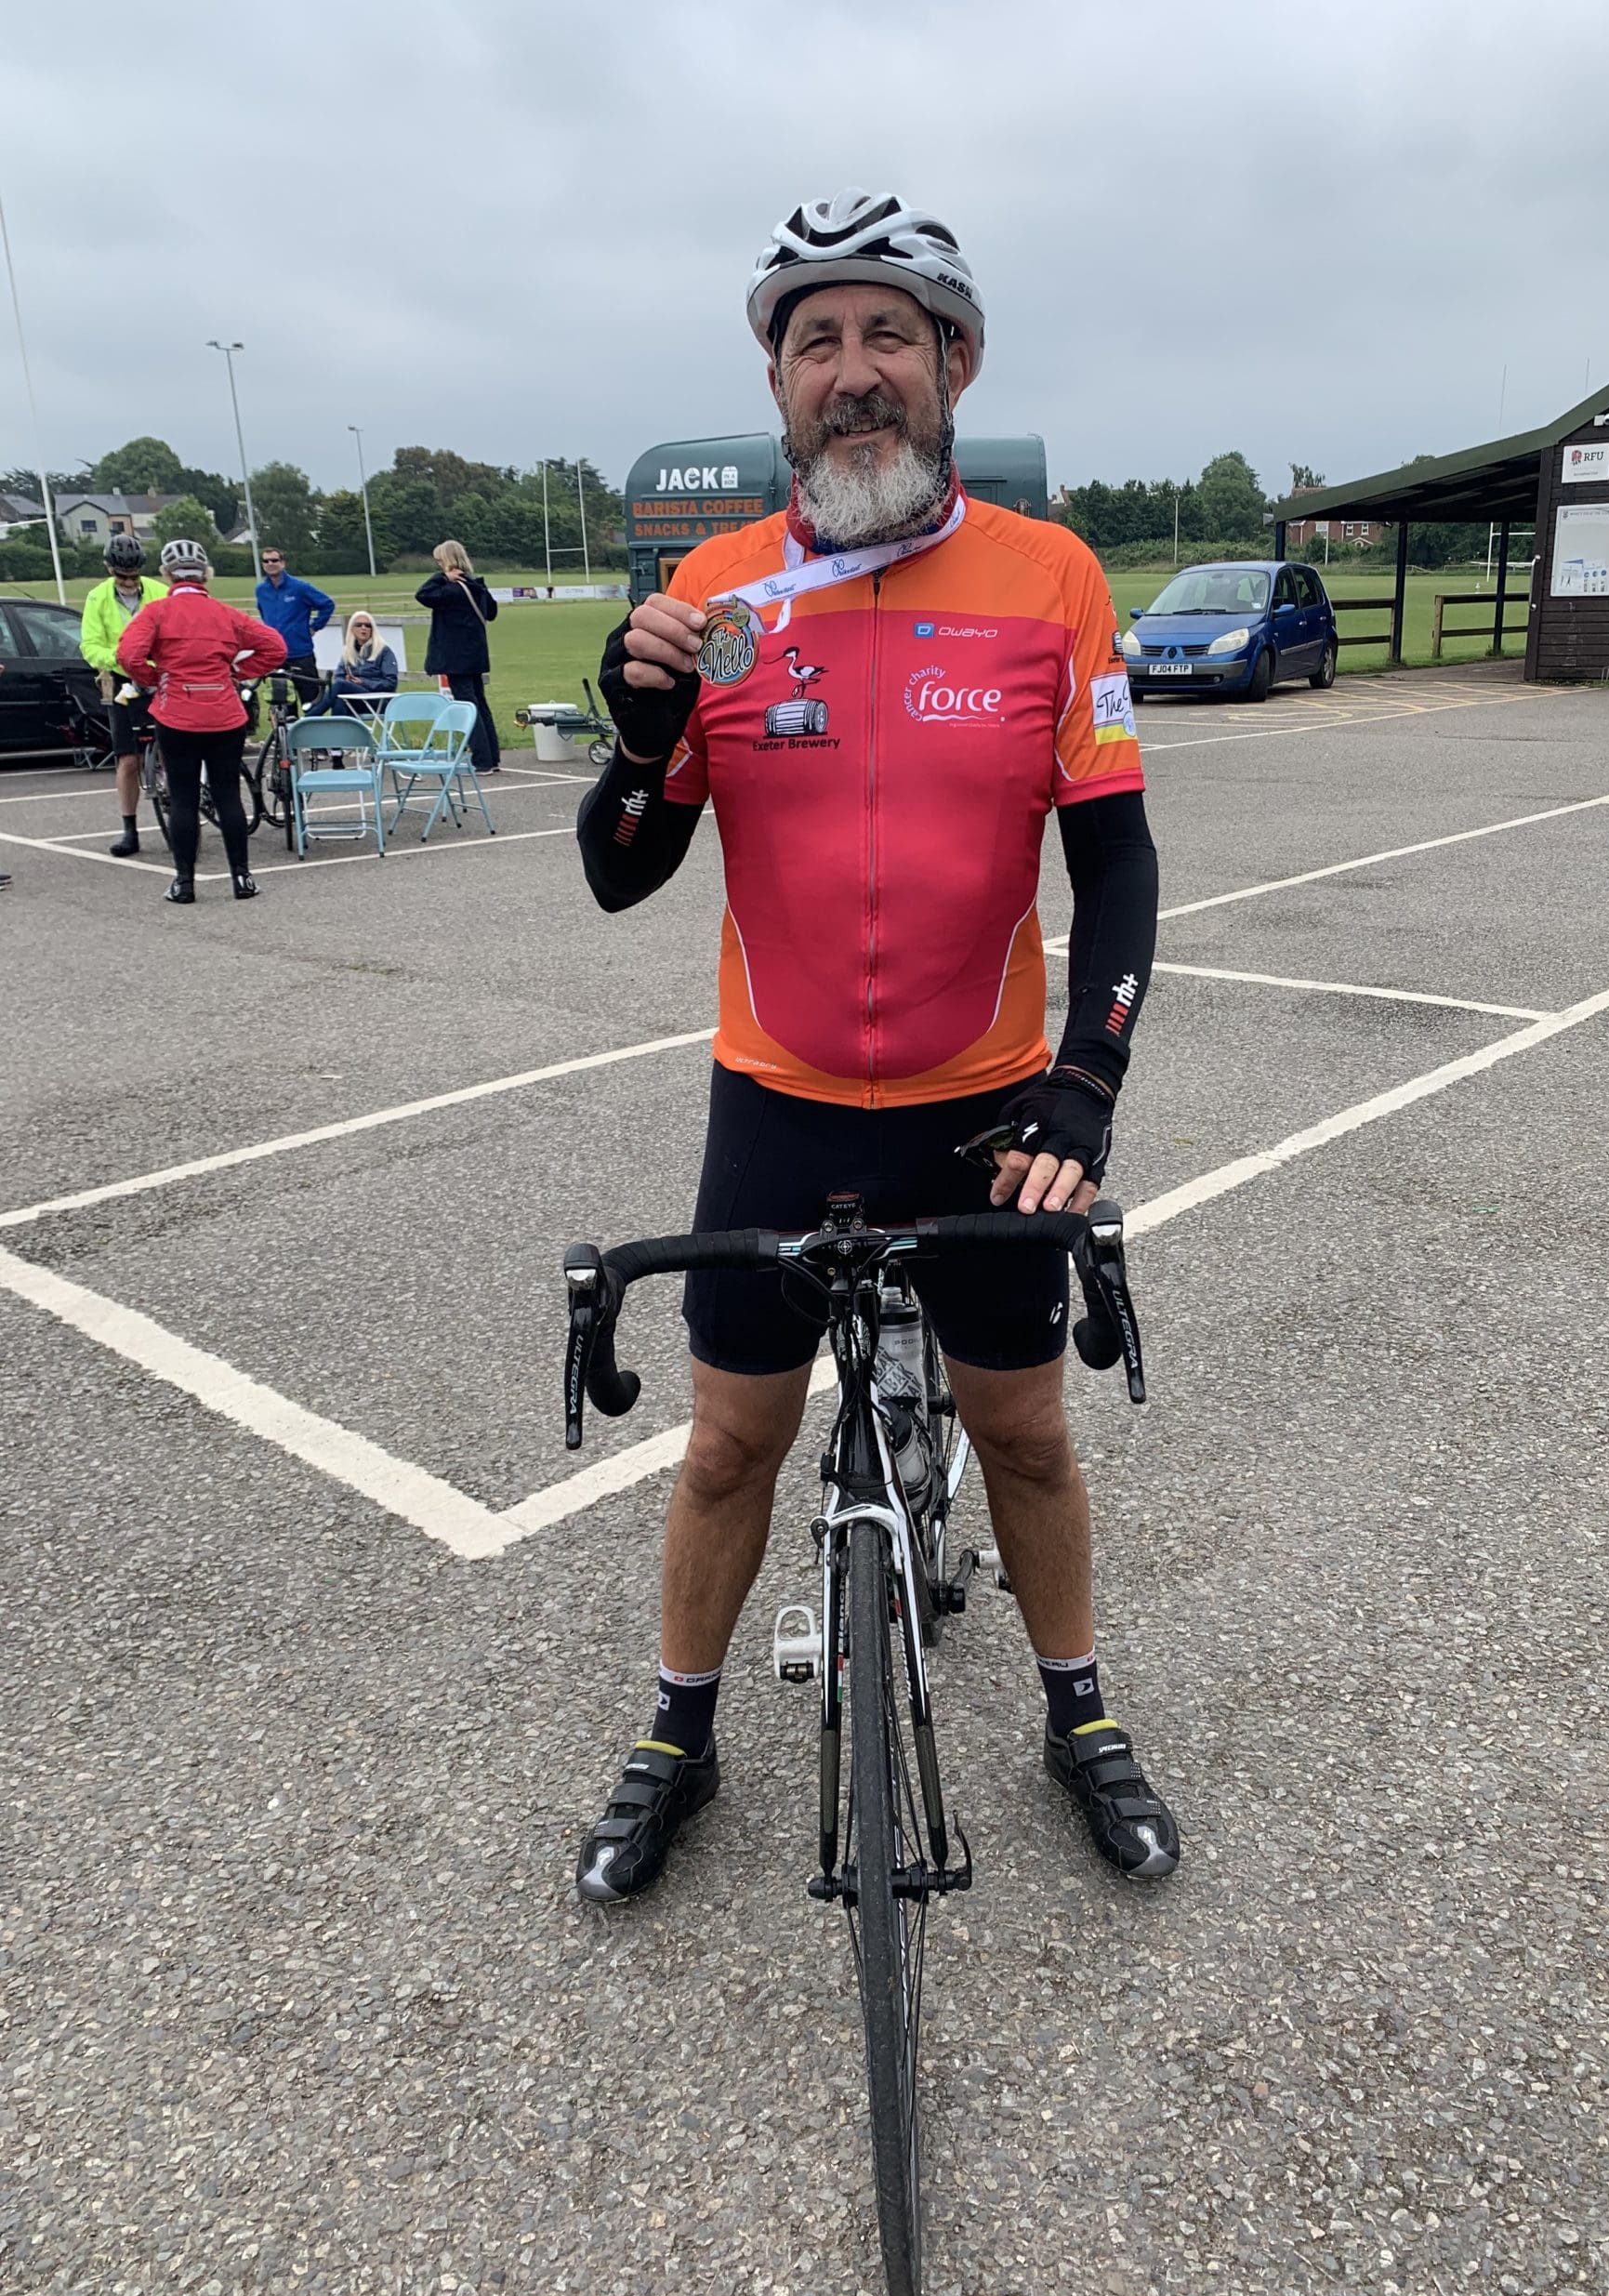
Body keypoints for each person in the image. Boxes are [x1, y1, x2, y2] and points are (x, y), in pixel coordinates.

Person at [573, 189, 1177, 1904]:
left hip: (985, 1103)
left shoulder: (1051, 579)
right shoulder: (713, 592)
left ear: (954, 364)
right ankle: (676, 1738)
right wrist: (636, 748)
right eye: (816, 339)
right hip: (774, 1097)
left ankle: (1079, 1717)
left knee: (1033, 1437)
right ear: (778, 384)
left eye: (888, 335)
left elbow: (1117, 860)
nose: (854, 372)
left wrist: (1090, 1079)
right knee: (725, 1446)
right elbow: (625, 876)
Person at [118, 538, 286, 904]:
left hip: (177, 711)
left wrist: (152, 678)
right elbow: (276, 647)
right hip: (224, 712)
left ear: (166, 575)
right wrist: (238, 672)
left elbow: (128, 654)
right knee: (228, 795)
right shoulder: (226, 614)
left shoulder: (156, 612)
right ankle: (242, 878)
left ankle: (184, 882)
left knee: (183, 798)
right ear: (206, 575)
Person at [79, 534, 168, 855]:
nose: (128, 582)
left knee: (171, 748)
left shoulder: (159, 592)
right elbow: (90, 644)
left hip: (158, 677)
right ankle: (129, 829)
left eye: (133, 576)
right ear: (109, 569)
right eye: (121, 576)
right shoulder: (97, 597)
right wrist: (119, 659)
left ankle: (181, 807)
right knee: (128, 759)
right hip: (122, 681)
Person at [415, 541, 500, 772]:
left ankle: (482, 759)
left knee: (467, 705)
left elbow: (422, 595)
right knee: (480, 704)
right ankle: (492, 756)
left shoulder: (450, 590)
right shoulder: (477, 587)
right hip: (475, 654)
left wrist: (441, 578)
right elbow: (491, 612)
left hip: (455, 656)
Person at [254, 548, 333, 706]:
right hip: (276, 655)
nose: (270, 564)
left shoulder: (300, 588)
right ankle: (285, 731)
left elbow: (327, 604)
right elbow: (264, 614)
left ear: (282, 563)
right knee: (281, 703)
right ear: (263, 565)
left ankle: (313, 730)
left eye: (274, 560)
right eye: (266, 561)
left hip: (301, 653)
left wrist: (314, 627)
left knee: (311, 701)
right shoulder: (261, 591)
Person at [308, 611, 399, 714]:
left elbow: (391, 683)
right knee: (339, 699)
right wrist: (349, 682)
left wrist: (363, 683)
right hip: (355, 700)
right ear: (352, 629)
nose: (363, 628)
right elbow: (339, 677)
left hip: (379, 701)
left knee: (341, 686)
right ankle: (339, 730)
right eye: (359, 625)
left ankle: (310, 717)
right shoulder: (348, 652)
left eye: (368, 626)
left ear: (372, 630)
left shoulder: (384, 651)